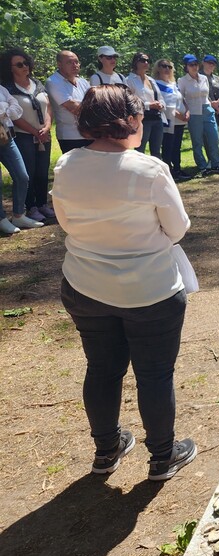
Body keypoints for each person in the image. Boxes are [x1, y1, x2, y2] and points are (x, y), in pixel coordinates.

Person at [52, 85, 198, 481]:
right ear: (130, 121)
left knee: (101, 367)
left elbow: (66, 222)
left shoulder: (66, 166)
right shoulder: (149, 169)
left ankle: (106, 449)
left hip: (85, 284)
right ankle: (163, 456)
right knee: (153, 374)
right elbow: (178, 228)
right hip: (149, 290)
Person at [2, 47, 55, 226]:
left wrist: (47, 127)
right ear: (10, 68)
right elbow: (14, 116)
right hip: (24, 136)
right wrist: (34, 132)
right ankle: (30, 207)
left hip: (44, 134)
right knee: (29, 172)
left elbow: (48, 106)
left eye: (26, 62)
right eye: (19, 64)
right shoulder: (7, 88)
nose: (25, 66)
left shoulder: (36, 83)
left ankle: (42, 204)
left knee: (42, 171)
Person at [0, 81, 40, 233]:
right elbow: (9, 108)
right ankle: (1, 219)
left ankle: (18, 215)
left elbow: (17, 109)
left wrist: (4, 110)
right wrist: (5, 108)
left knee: (22, 176)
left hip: (7, 138)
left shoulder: (2, 88)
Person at [176, 54, 219, 176]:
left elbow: (206, 95)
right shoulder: (182, 81)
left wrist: (214, 106)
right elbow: (181, 98)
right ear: (186, 67)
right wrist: (186, 110)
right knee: (197, 141)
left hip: (207, 110)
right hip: (194, 112)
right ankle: (202, 166)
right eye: (191, 65)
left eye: (195, 64)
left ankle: (216, 163)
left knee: (213, 138)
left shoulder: (204, 78)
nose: (194, 67)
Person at [47, 50, 91, 152]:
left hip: (89, 133)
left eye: (76, 62)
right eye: (69, 62)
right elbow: (73, 108)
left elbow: (95, 102)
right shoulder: (53, 82)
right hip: (70, 136)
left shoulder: (83, 82)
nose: (74, 65)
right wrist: (93, 108)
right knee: (75, 167)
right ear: (59, 64)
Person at [153, 59, 190, 182]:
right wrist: (179, 115)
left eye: (169, 66)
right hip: (168, 121)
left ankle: (178, 169)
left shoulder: (173, 84)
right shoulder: (156, 84)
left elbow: (181, 99)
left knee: (176, 147)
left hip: (180, 121)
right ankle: (169, 171)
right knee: (168, 146)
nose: (167, 69)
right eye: (163, 66)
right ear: (158, 68)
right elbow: (166, 104)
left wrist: (187, 111)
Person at [125, 52, 165, 159]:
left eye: (148, 61)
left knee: (156, 150)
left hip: (157, 117)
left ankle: (156, 173)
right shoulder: (129, 80)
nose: (146, 63)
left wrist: (161, 104)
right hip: (142, 119)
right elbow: (129, 101)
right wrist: (148, 105)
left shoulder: (151, 80)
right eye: (142, 60)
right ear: (135, 62)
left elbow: (160, 97)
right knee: (140, 149)